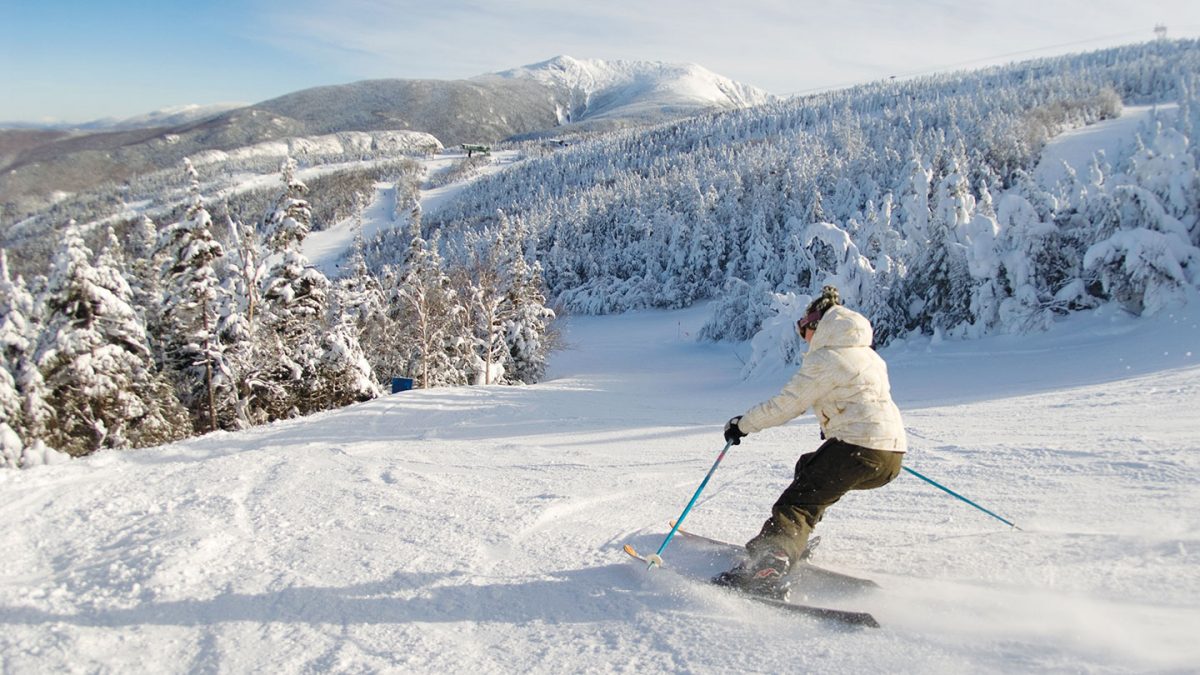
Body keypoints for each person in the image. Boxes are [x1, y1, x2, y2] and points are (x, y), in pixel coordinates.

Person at [713, 285, 906, 597]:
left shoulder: (827, 359)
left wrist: (742, 425)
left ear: (818, 326)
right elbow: (861, 400)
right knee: (809, 468)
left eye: (802, 328)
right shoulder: (869, 357)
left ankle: (770, 564)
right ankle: (792, 541)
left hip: (856, 448)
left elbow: (787, 404)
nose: (802, 335)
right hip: (889, 454)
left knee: (796, 505)